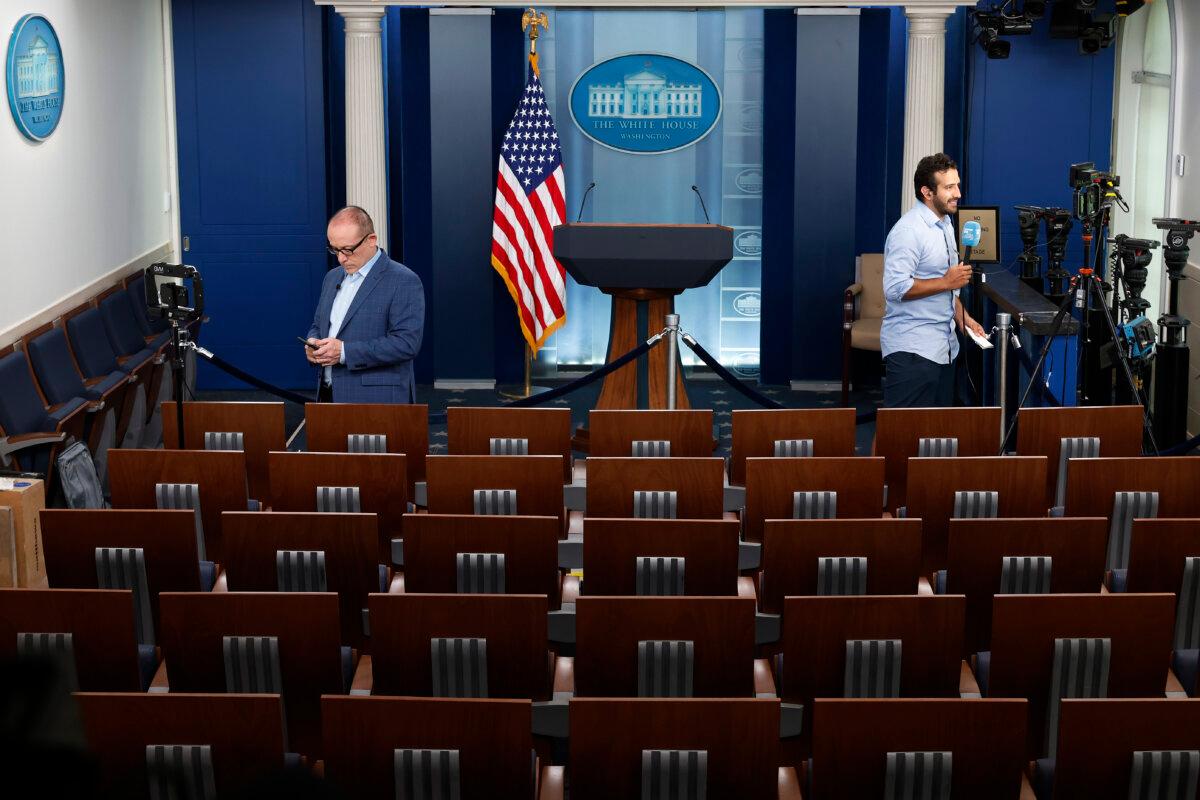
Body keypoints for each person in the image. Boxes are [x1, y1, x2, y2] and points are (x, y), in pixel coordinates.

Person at [880, 153, 987, 408]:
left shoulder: (946, 224)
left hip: (945, 348)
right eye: (949, 187)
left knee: (932, 434)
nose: (958, 193)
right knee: (897, 433)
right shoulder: (908, 232)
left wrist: (964, 318)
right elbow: (895, 289)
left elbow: (946, 291)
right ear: (927, 192)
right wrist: (947, 281)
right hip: (913, 351)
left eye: (957, 185)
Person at [305, 206, 424, 403]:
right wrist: (314, 343)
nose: (341, 258)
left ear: (371, 240)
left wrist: (344, 352)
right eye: (335, 250)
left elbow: (406, 344)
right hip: (327, 395)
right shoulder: (331, 277)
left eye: (348, 250)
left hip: (376, 400)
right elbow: (319, 325)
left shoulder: (404, 280)